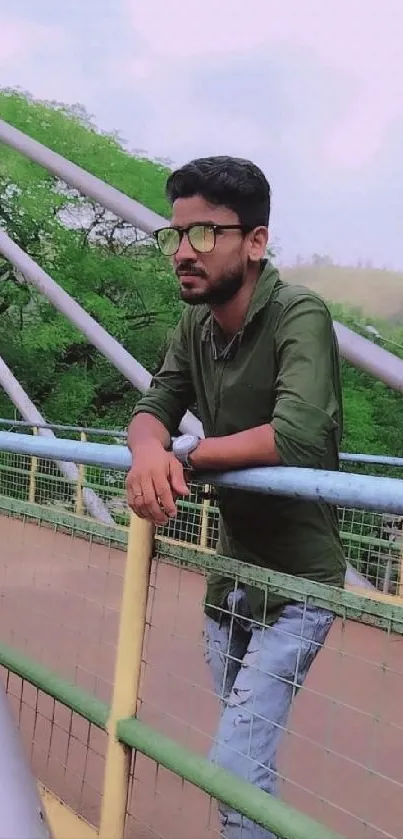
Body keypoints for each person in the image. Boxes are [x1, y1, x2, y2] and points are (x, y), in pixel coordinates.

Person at [126, 155, 346, 839]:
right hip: (231, 580)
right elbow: (154, 404)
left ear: (254, 241)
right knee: (248, 767)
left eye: (202, 235)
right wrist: (145, 451)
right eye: (173, 235)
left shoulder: (297, 312)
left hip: (299, 584)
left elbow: (299, 434)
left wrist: (182, 458)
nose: (181, 254)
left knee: (229, 764)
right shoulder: (192, 326)